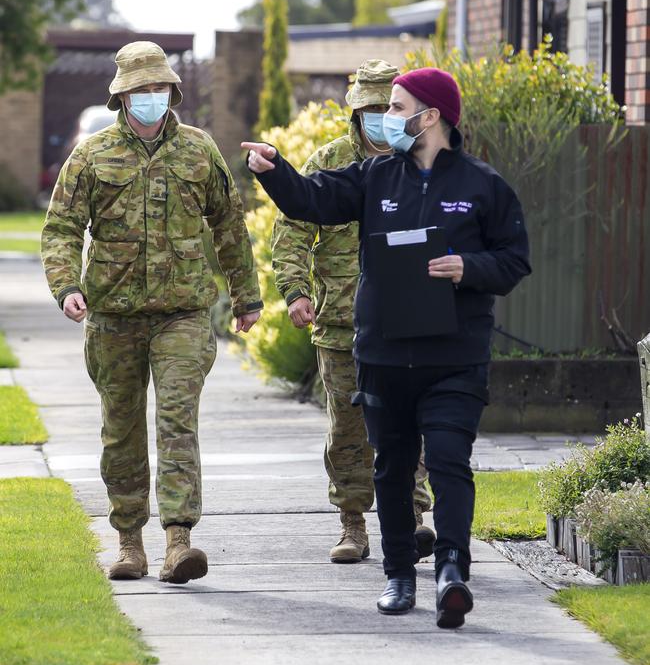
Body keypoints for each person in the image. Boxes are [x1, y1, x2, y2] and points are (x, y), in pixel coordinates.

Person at [243, 67, 531, 628]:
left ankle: (452, 570)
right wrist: (275, 170)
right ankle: (400, 576)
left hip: (455, 357)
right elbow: (310, 200)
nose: (387, 119)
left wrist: (469, 267)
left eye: (397, 108)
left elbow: (514, 260)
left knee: (448, 461)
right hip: (384, 356)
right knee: (392, 468)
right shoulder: (375, 176)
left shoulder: (483, 185)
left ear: (432, 117)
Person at [42, 41, 262, 585]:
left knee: (176, 420)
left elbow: (229, 226)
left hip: (183, 313)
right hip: (114, 317)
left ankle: (179, 540)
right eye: (141, 89)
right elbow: (62, 229)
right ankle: (129, 542)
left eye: (159, 87)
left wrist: (246, 295)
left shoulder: (198, 150)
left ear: (172, 92)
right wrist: (65, 285)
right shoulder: (91, 156)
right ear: (122, 95)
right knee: (121, 429)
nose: (151, 97)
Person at [271, 59, 434, 563]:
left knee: (409, 421)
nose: (377, 117)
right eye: (368, 108)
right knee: (348, 428)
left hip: (409, 320)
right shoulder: (331, 161)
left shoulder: (427, 161)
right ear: (355, 112)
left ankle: (413, 518)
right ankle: (353, 524)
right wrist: (296, 290)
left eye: (386, 107)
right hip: (342, 323)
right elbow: (293, 227)